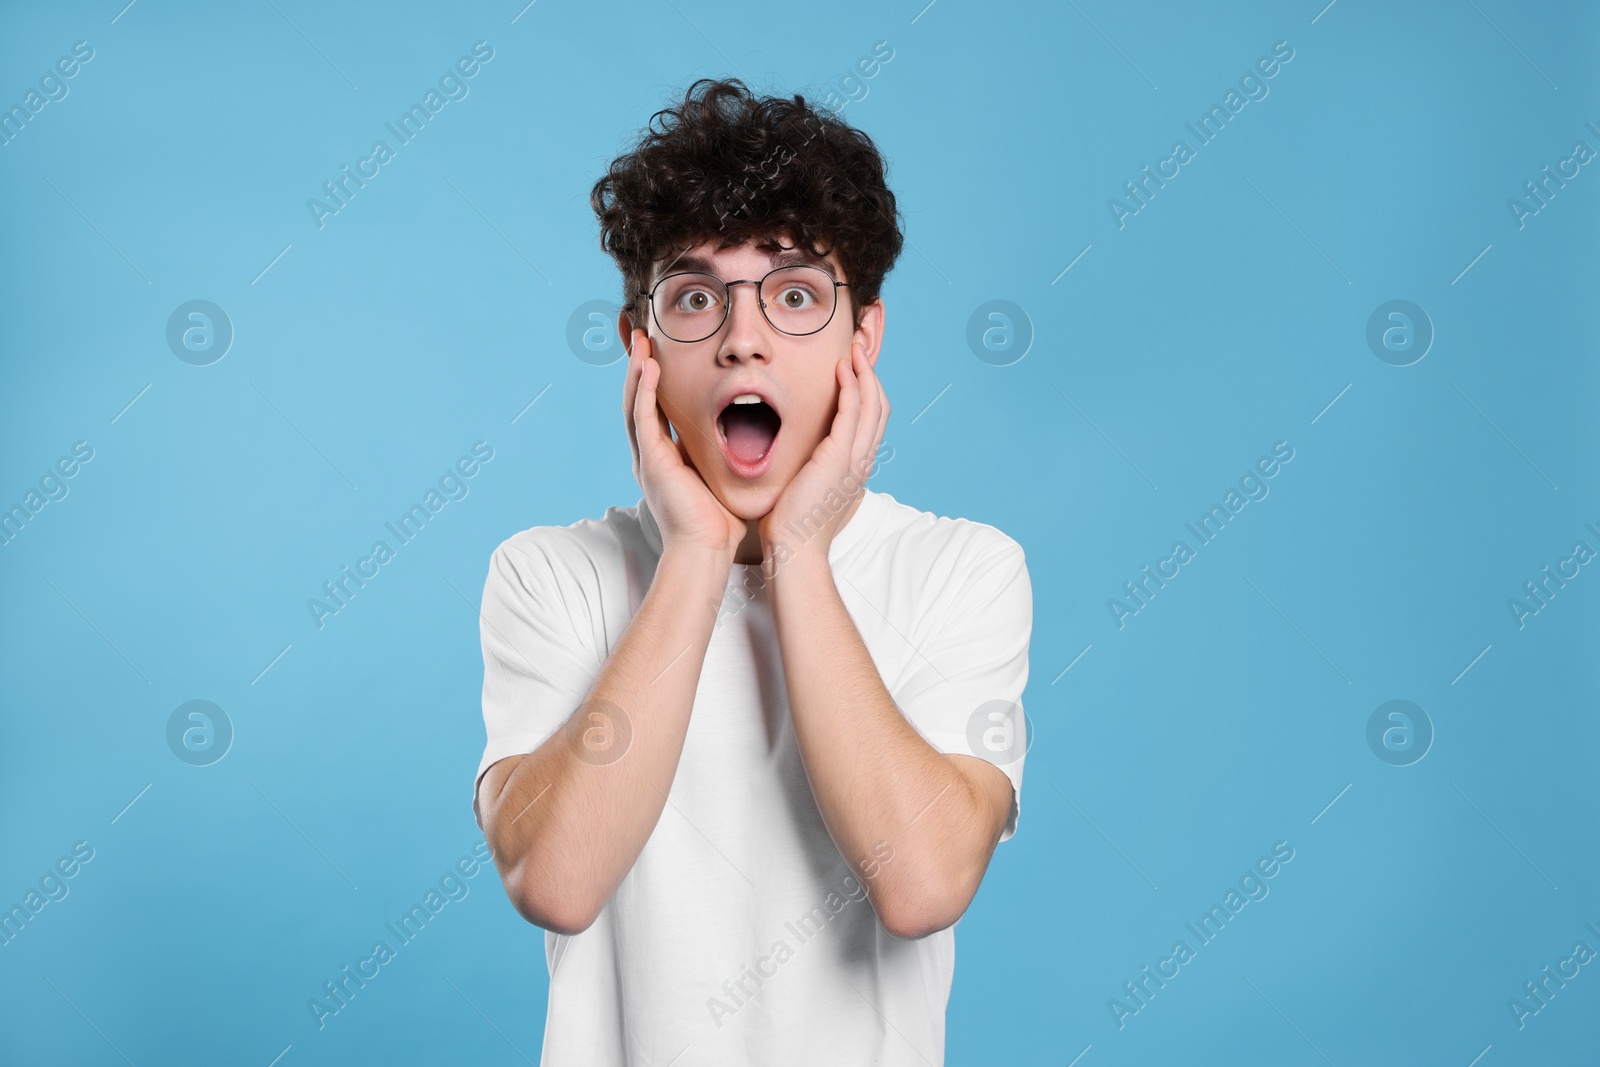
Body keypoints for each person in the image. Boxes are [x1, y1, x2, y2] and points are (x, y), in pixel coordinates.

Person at [472, 77, 1032, 1067]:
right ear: (640, 348)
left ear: (864, 342)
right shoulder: (548, 574)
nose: (742, 336)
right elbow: (553, 879)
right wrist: (693, 549)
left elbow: (924, 883)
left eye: (796, 296)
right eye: (694, 297)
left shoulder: (961, 569)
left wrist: (799, 547)